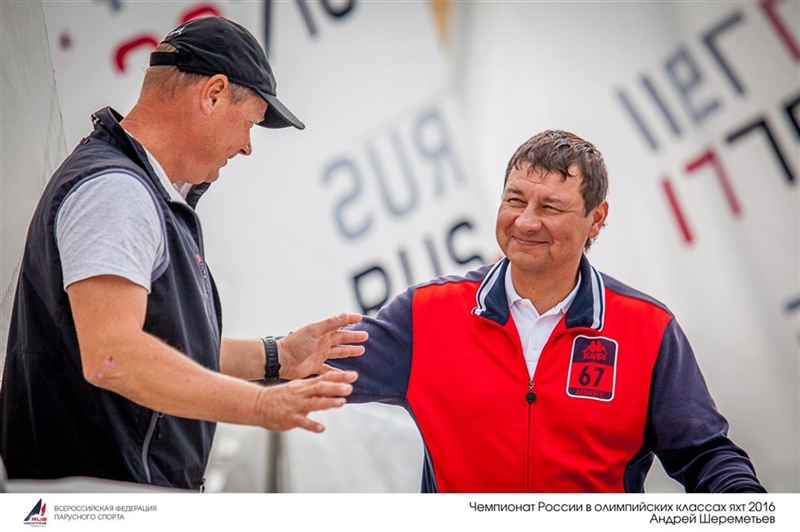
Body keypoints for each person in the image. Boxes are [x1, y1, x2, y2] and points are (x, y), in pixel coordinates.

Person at [0, 16, 366, 491]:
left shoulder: (129, 186)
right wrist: (260, 405)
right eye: (251, 123)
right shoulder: (117, 192)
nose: (247, 147)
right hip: (99, 504)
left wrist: (277, 357)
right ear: (213, 94)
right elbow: (113, 355)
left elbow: (163, 346)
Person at [331, 130, 765, 493]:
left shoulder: (647, 329)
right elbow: (311, 365)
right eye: (515, 200)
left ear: (596, 218)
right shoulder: (428, 313)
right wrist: (286, 357)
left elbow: (704, 455)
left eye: (550, 207)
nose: (525, 221)